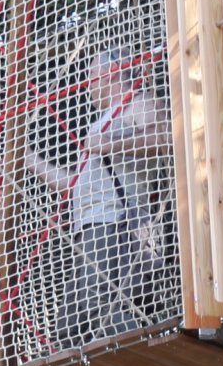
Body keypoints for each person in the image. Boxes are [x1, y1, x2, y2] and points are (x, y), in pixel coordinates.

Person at [25, 50, 169, 341]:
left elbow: (165, 138)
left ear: (112, 72)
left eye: (91, 78)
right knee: (69, 325)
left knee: (99, 305)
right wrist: (27, 159)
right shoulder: (102, 121)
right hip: (89, 224)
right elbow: (74, 184)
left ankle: (145, 353)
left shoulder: (138, 103)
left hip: (114, 220)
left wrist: (109, 145)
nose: (88, 86)